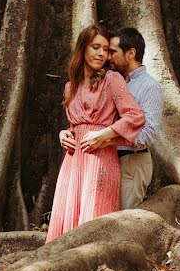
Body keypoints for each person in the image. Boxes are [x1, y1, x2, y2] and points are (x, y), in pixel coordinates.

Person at [45, 23, 145, 242]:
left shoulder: (112, 80)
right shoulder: (70, 87)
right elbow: (76, 126)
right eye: (95, 47)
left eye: (106, 49)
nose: (102, 53)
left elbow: (135, 116)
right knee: (67, 226)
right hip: (72, 165)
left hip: (101, 162)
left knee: (93, 224)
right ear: (83, 49)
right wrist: (64, 134)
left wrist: (106, 134)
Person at [107, 27, 163, 209]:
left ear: (130, 53)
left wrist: (110, 138)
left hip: (133, 162)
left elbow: (149, 134)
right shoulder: (120, 82)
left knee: (124, 220)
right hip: (115, 160)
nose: (109, 57)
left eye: (113, 51)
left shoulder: (149, 86)